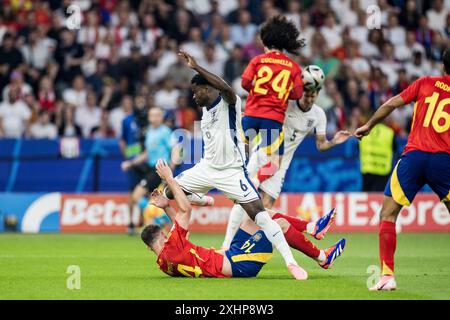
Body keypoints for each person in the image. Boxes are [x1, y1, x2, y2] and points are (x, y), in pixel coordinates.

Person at [165, 50, 307, 280]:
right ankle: (203, 199)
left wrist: (197, 67)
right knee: (170, 190)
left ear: (207, 88)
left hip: (232, 173)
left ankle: (292, 263)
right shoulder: (204, 111)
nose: (193, 97)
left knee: (259, 215)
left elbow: (226, 88)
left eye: (196, 92)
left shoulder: (229, 103)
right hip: (206, 168)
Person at [141, 160, 346, 278]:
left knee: (259, 215)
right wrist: (169, 178)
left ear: (150, 248)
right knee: (279, 225)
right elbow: (185, 210)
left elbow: (179, 225)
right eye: (168, 233)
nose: (170, 234)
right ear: (164, 235)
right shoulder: (172, 247)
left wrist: (167, 206)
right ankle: (322, 257)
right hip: (238, 264)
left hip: (230, 256)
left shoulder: (163, 262)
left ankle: (312, 228)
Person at [223, 65, 352, 249]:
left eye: (313, 95)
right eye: (306, 94)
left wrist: (334, 141)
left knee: (264, 209)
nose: (309, 98)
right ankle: (228, 245)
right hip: (263, 155)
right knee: (244, 197)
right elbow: (266, 111)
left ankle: (242, 247)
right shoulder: (286, 103)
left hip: (280, 165)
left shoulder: (318, 115)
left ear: (318, 94)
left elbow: (320, 145)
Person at [354, 49, 450, 291]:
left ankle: (387, 276)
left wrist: (368, 125)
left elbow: (391, 103)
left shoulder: (425, 83)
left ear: (443, 66)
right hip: (444, 161)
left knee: (387, 214)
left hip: (414, 157)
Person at [241, 15, 305, 187]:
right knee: (275, 162)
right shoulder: (293, 67)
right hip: (273, 120)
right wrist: (280, 95)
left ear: (265, 42)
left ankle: (238, 182)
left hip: (251, 116)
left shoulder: (257, 60)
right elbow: (298, 94)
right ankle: (255, 181)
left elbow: (245, 82)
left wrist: (258, 94)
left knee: (240, 153)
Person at [121, 107, 180, 233]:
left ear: (161, 117)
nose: (155, 118)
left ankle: (159, 217)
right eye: (153, 115)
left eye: (158, 115)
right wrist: (131, 163)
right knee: (150, 198)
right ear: (149, 117)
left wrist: (171, 168)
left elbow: (175, 148)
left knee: (137, 195)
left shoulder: (165, 131)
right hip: (150, 169)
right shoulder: (150, 132)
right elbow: (147, 154)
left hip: (159, 169)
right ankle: (159, 217)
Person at [359, 122, 396, 192]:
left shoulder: (364, 130)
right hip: (383, 170)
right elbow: (395, 150)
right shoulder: (389, 132)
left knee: (367, 197)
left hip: (367, 169)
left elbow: (357, 146)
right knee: (379, 198)